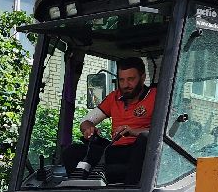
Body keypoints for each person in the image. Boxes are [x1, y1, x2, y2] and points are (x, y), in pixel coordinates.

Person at [63, 56, 157, 184]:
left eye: (131, 79)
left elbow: (165, 132)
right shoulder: (114, 97)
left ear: (143, 77)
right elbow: (86, 121)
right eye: (121, 80)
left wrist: (134, 131)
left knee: (144, 139)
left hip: (141, 151)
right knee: (72, 151)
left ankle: (130, 191)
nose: (125, 85)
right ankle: (81, 190)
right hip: (115, 151)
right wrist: (88, 129)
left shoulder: (156, 96)